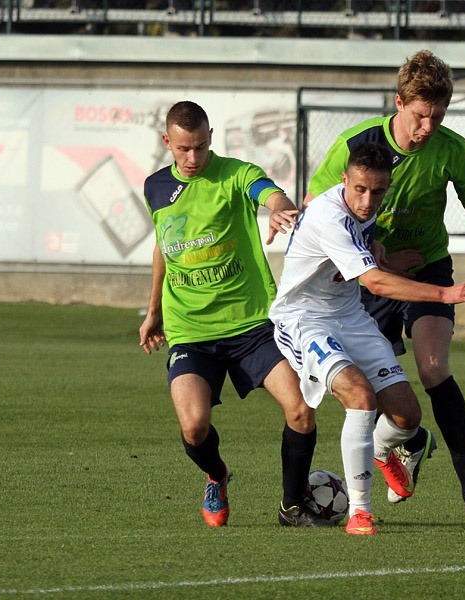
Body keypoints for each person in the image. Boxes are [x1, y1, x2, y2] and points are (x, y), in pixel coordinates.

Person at [305, 50, 465, 529]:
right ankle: (408, 442)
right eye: (420, 116)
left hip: (427, 267)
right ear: (399, 102)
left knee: (434, 369)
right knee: (370, 393)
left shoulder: (452, 148)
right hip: (366, 277)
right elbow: (319, 205)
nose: (428, 127)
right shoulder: (359, 144)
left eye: (438, 116)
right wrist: (375, 255)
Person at [271, 142, 465, 534]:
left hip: (349, 315)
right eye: (360, 189)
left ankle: (376, 447)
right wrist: (445, 293)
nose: (368, 200)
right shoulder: (330, 216)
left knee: (408, 416)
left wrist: (385, 256)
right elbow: (372, 280)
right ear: (345, 180)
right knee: (359, 396)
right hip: (305, 320)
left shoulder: (366, 210)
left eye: (377, 191)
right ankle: (360, 511)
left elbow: (368, 255)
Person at [138, 100, 329, 528]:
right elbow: (161, 248)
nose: (193, 158)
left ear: (210, 140)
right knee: (194, 427)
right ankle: (216, 474)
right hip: (190, 330)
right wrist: (154, 312)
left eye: (201, 148)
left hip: (253, 326)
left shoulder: (236, 174)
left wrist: (278, 207)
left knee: (301, 409)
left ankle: (292, 506)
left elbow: (268, 191)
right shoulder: (154, 188)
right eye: (184, 148)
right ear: (167, 142)